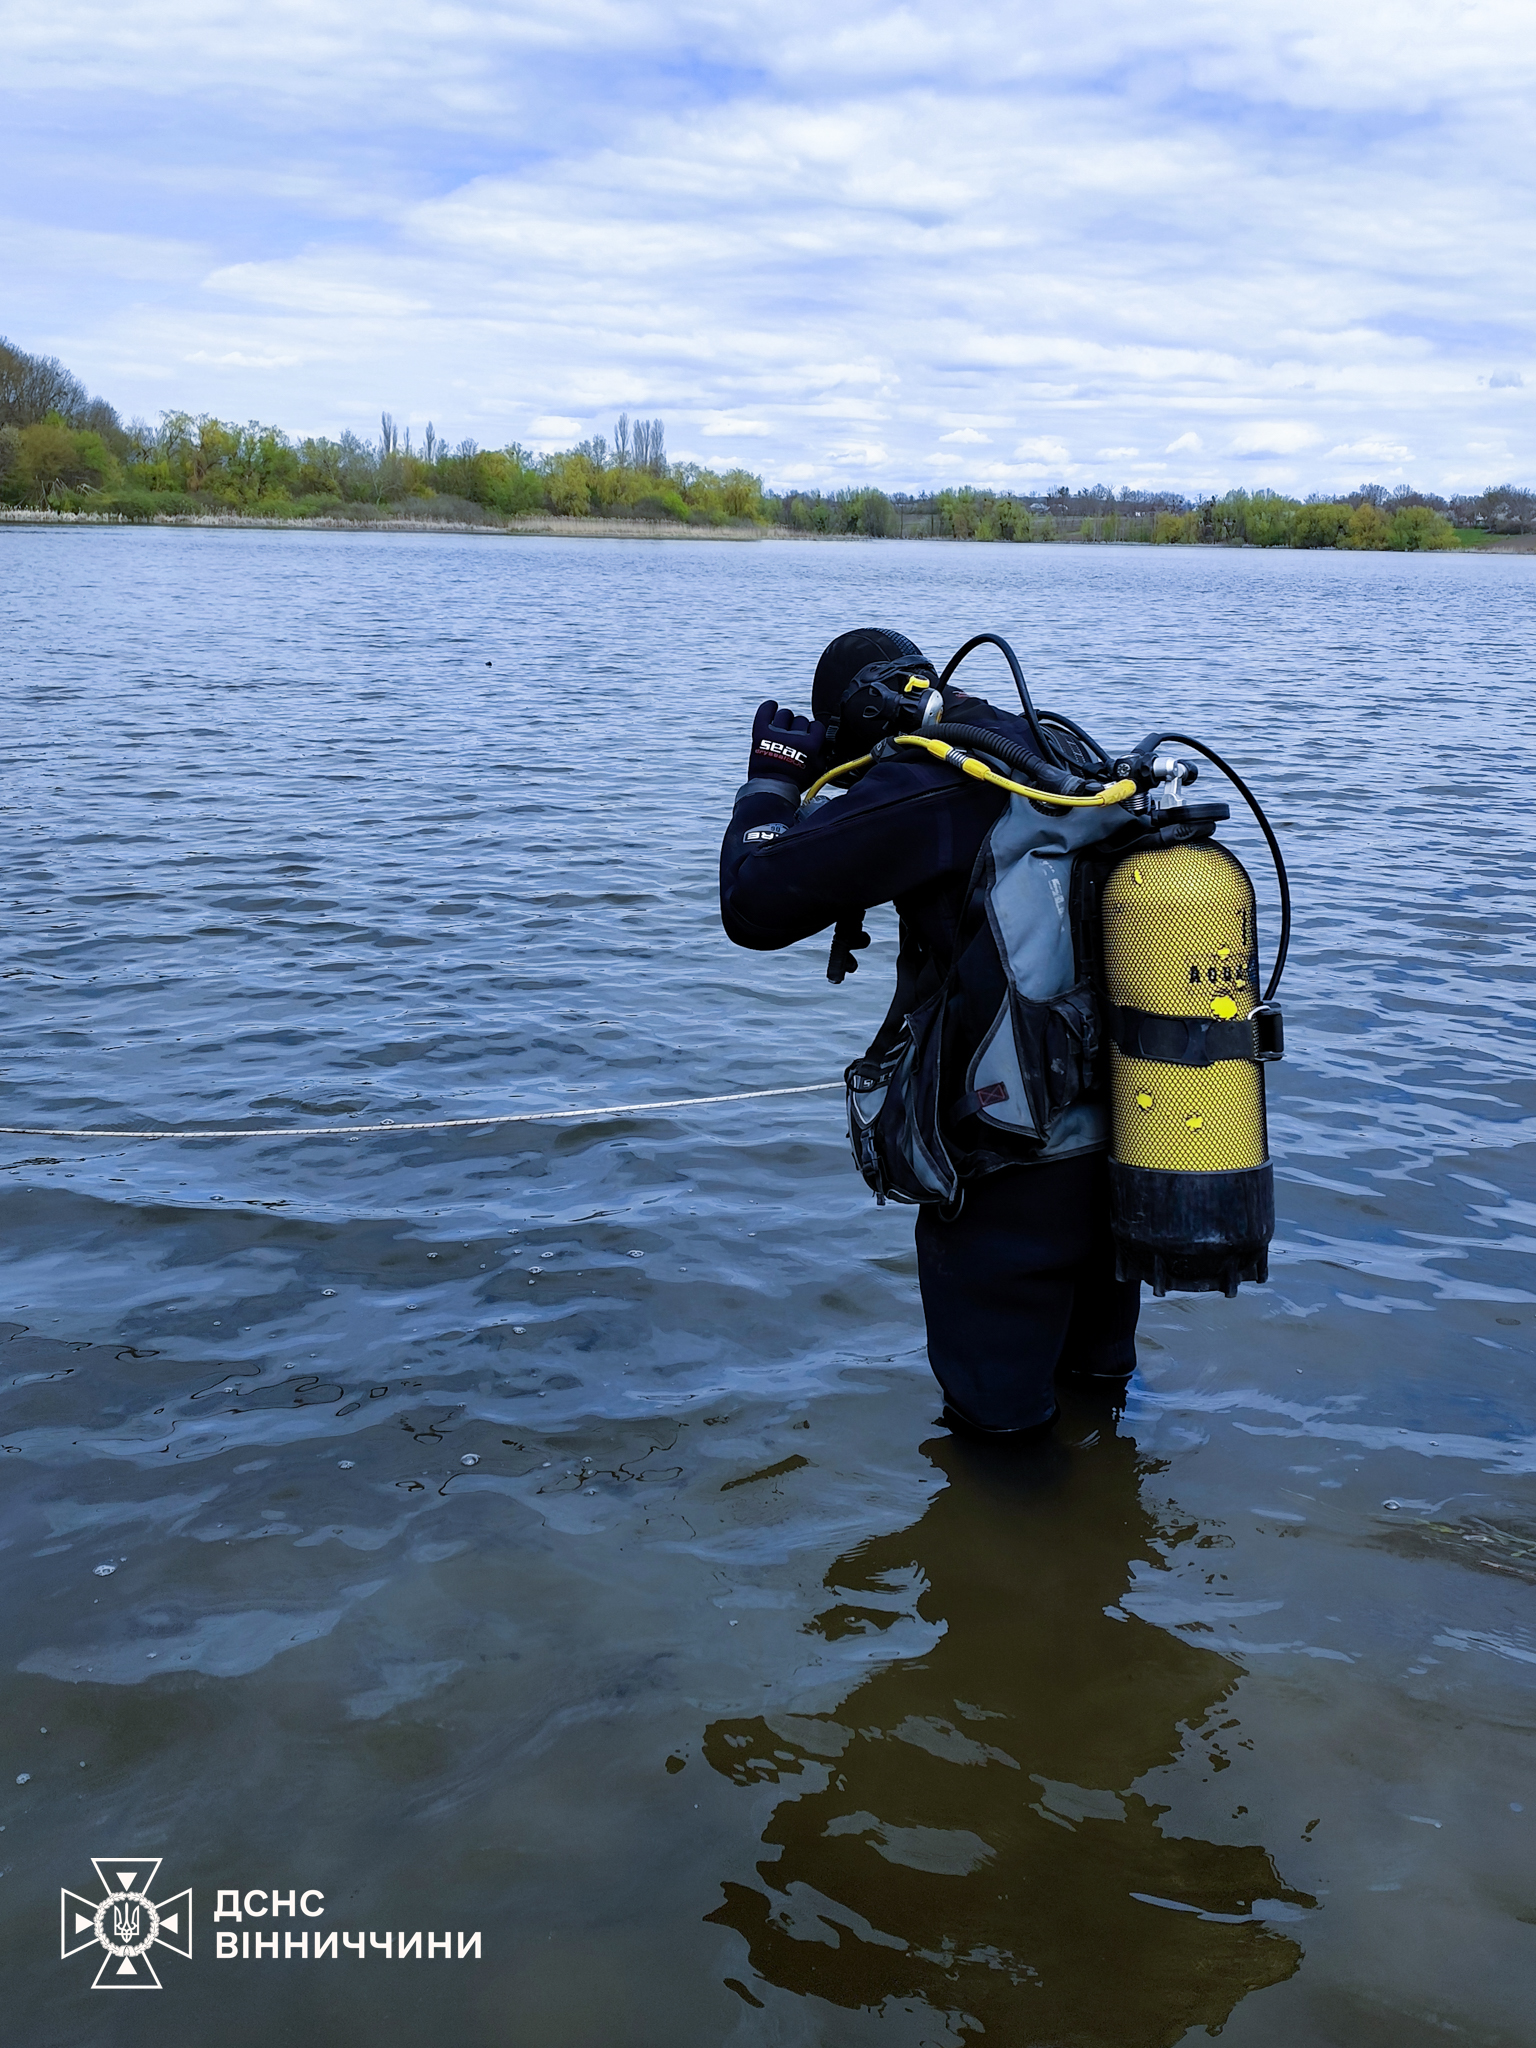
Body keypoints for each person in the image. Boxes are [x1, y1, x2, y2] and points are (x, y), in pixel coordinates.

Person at [718, 626, 1139, 1440]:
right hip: (1132, 1143)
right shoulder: (1050, 748)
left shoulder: (932, 780)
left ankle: (1011, 1548)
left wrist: (770, 784)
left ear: (853, 721)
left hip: (1010, 1174)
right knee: (1099, 1399)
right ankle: (1105, 1547)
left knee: (997, 1446)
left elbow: (754, 905)